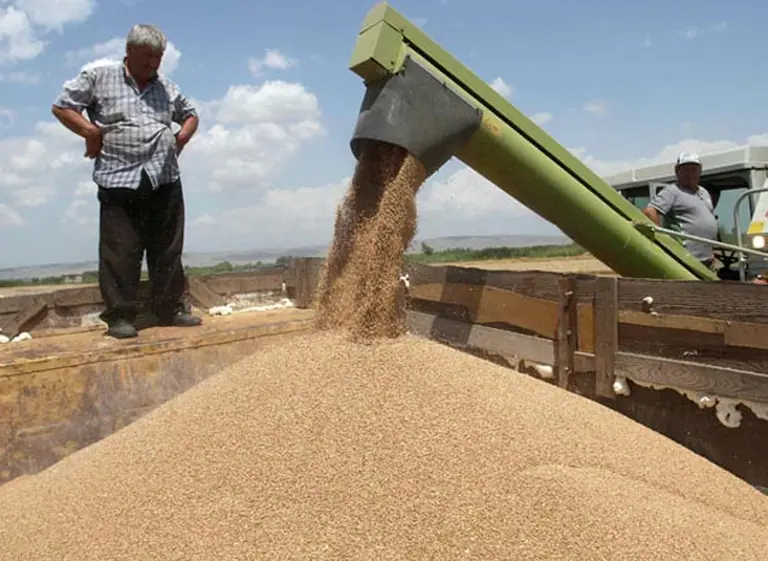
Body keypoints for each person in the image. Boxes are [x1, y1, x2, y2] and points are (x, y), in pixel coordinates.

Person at [51, 23, 202, 339]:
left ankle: (170, 309)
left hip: (164, 177)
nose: (152, 64)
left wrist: (182, 138)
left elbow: (190, 114)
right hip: (119, 177)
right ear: (129, 51)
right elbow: (63, 106)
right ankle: (120, 316)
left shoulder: (167, 88)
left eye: (158, 58)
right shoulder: (99, 77)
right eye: (147, 57)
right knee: (121, 249)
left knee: (167, 247)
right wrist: (90, 132)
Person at [643, 152, 719, 269]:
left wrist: (711, 251)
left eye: (694, 169)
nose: (690, 173)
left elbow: (707, 221)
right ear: (677, 172)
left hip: (708, 258)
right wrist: (661, 240)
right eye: (685, 170)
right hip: (686, 259)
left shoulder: (704, 192)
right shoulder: (672, 191)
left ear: (700, 171)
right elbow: (650, 211)